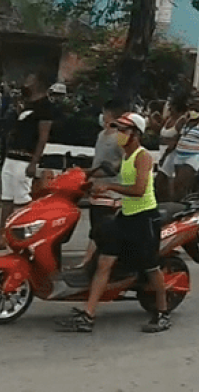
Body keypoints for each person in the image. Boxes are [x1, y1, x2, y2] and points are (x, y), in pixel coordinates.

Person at [56, 112, 170, 333]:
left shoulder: (142, 156)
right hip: (126, 216)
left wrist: (110, 187)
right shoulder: (125, 156)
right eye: (118, 130)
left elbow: (138, 189)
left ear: (136, 134)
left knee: (151, 267)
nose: (119, 134)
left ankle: (162, 313)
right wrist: (82, 176)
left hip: (144, 218)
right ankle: (88, 314)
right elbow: (109, 169)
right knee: (104, 262)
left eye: (124, 130)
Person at [0, 71, 54, 251]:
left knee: (22, 200)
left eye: (30, 78)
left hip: (25, 158)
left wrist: (34, 162)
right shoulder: (27, 103)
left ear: (38, 82)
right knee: (7, 199)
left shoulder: (45, 107)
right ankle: (1, 236)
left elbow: (43, 136)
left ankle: (23, 236)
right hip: (11, 156)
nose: (26, 81)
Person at [73, 98, 127, 269]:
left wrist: (112, 169)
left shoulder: (121, 138)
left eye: (104, 113)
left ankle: (90, 262)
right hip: (96, 188)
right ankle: (89, 261)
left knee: (101, 227)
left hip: (111, 191)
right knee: (95, 227)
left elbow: (125, 161)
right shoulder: (101, 135)